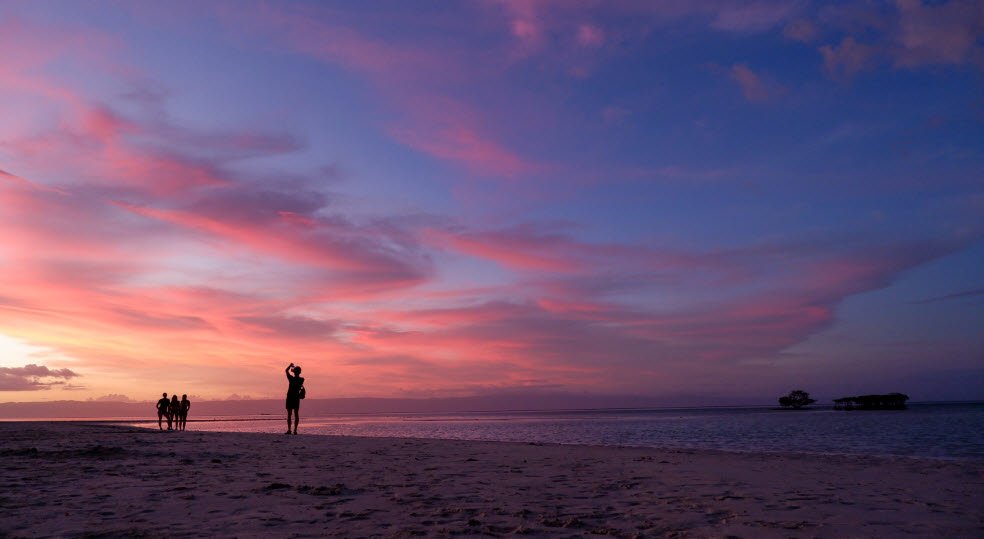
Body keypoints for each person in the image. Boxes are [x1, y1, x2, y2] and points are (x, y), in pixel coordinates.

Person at [285, 363, 304, 435]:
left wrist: (290, 366)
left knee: (289, 414)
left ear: (294, 372)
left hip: (290, 397)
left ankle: (289, 430)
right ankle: (295, 430)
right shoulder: (301, 379)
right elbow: (297, 376)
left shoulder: (291, 379)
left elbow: (286, 371)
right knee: (296, 414)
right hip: (296, 397)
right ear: (300, 372)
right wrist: (294, 370)